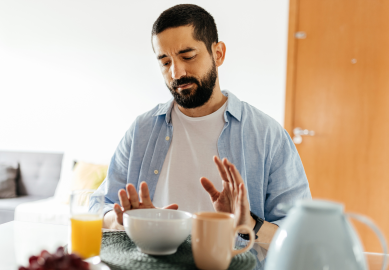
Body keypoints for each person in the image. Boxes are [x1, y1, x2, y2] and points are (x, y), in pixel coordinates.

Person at [90, 4, 311, 243]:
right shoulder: (142, 130)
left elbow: (301, 237)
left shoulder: (268, 135)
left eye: (188, 56)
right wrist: (122, 219)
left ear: (218, 53)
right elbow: (97, 207)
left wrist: (248, 223)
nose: (176, 72)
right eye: (165, 62)